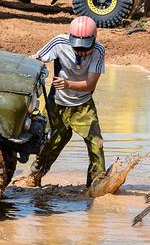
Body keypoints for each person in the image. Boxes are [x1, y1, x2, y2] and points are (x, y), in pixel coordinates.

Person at [16, 16, 107, 189]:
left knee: (96, 143)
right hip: (56, 104)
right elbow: (36, 59)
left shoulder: (98, 51)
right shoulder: (59, 42)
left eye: (85, 48)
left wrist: (67, 84)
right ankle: (34, 177)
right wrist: (32, 62)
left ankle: (97, 183)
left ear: (94, 40)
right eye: (76, 47)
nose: (80, 52)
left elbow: (90, 84)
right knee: (51, 142)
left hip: (83, 105)